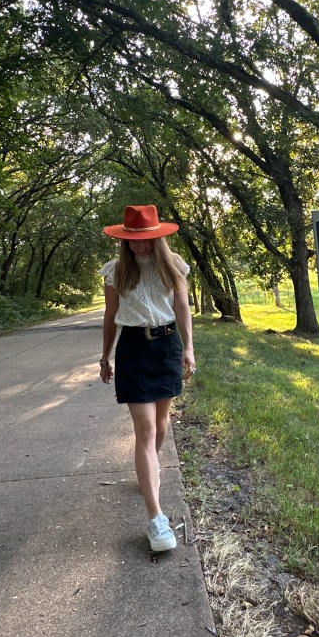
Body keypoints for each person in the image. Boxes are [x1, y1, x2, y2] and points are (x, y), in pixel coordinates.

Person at [99, 204, 196, 553]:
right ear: (125, 240)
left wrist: (189, 349)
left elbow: (182, 307)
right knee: (145, 428)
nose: (140, 246)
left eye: (147, 239)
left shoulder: (173, 265)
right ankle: (156, 518)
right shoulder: (115, 271)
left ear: (158, 237)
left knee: (162, 421)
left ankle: (148, 468)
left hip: (167, 345)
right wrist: (105, 355)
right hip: (133, 351)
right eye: (134, 240)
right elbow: (111, 315)